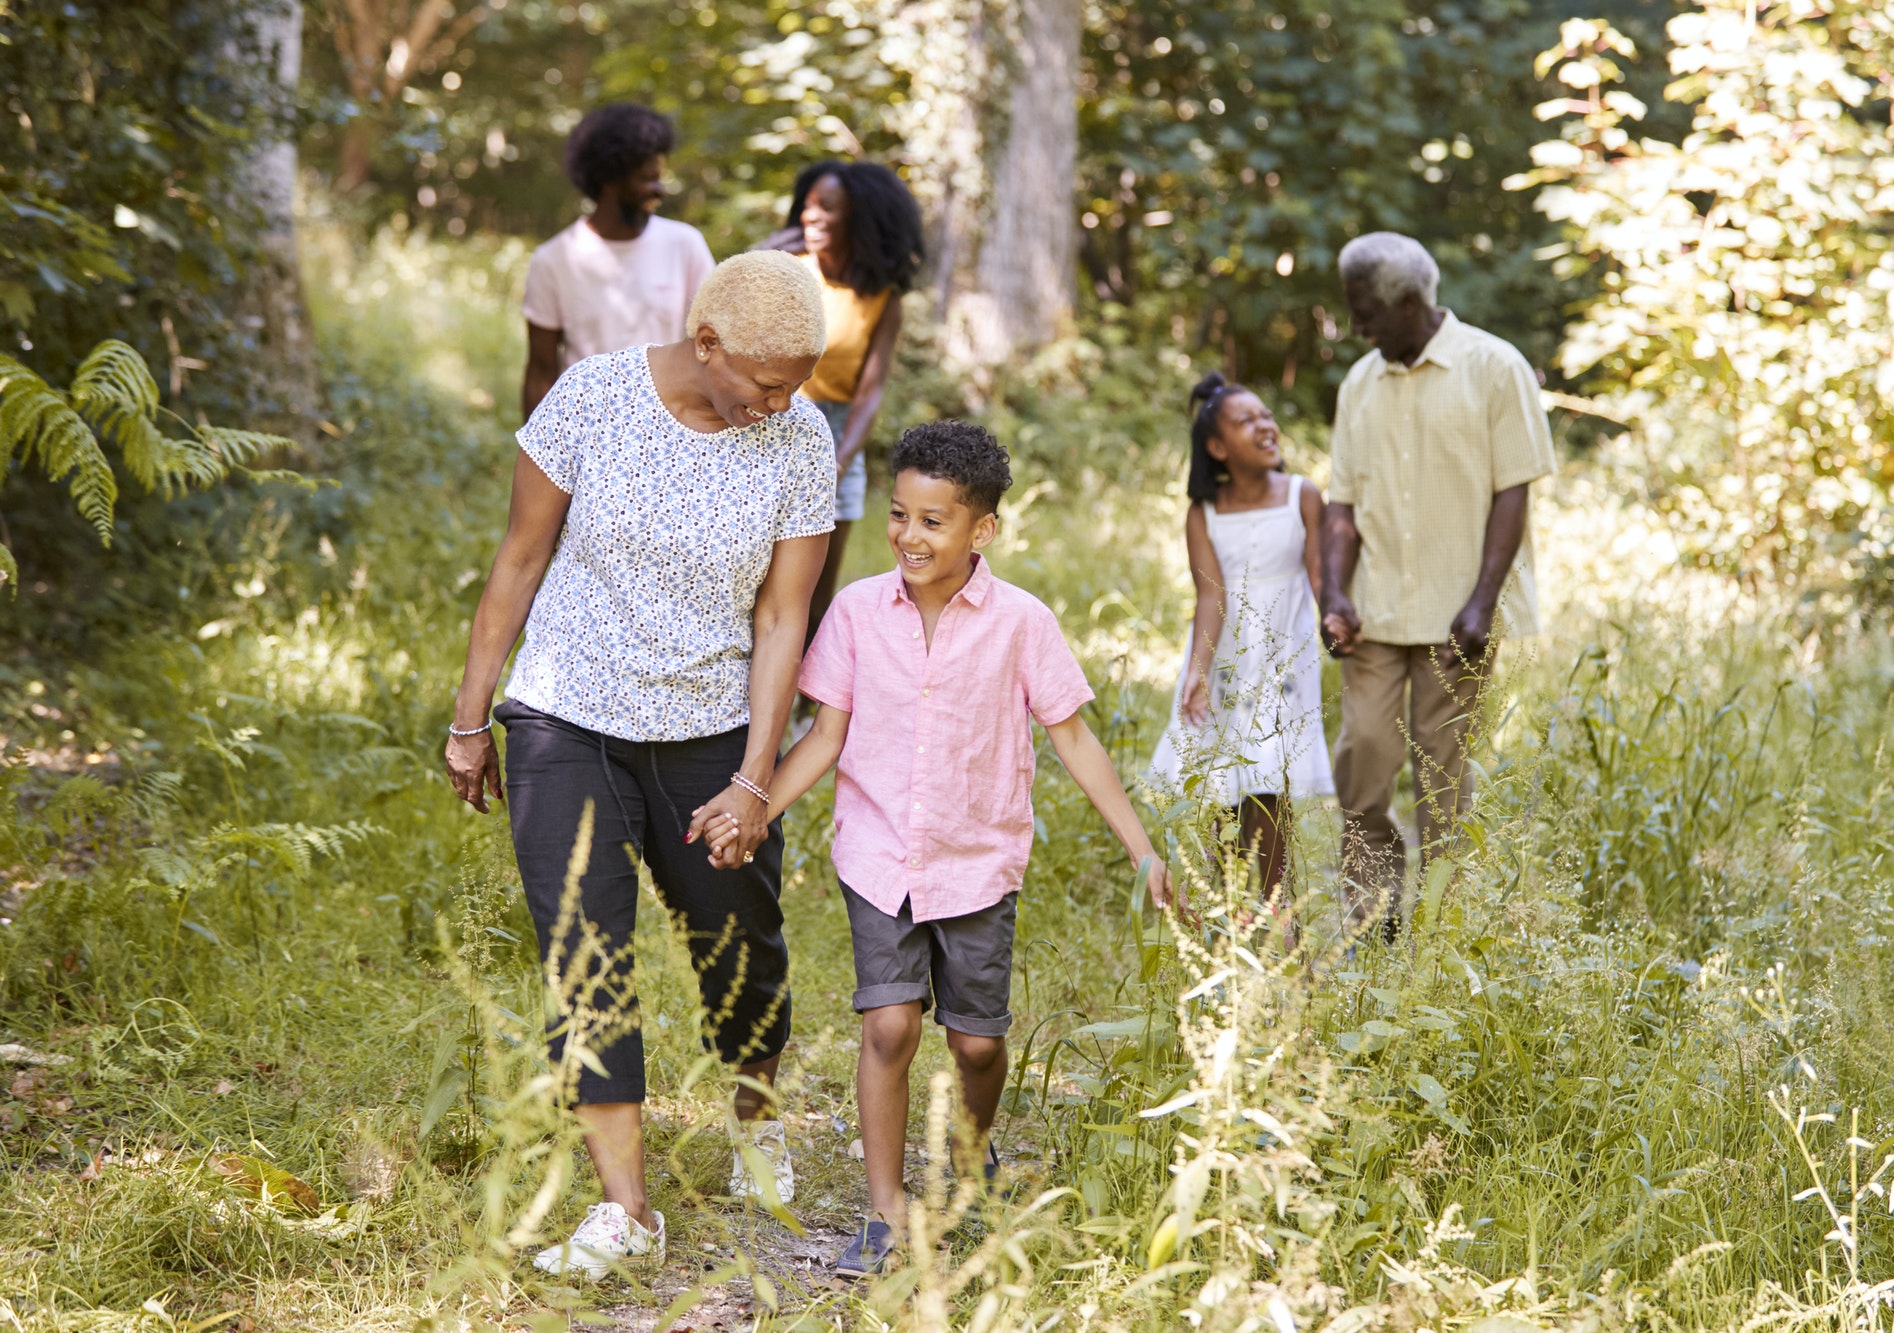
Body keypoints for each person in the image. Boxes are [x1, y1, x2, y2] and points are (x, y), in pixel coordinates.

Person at [692, 422, 1172, 1277]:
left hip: (978, 859)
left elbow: (1076, 742)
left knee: (977, 1044)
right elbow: (826, 735)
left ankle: (973, 1152)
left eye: (935, 521)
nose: (911, 536)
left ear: (982, 528)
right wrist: (754, 800)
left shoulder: (1022, 622)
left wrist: (1141, 850)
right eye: (900, 516)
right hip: (879, 854)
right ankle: (884, 1211)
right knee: (887, 1026)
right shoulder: (856, 612)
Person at [445, 252, 836, 1280]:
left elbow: (782, 613)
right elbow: (520, 558)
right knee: (584, 952)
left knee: (740, 940)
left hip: (711, 732)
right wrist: (469, 715)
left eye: (797, 379)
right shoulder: (592, 398)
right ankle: (627, 1208)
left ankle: (756, 1118)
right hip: (565, 713)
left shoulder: (799, 437)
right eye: (763, 379)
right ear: (705, 342)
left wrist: (757, 777)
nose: (780, 400)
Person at [1320, 232, 1556, 939]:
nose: (1359, 328)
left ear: (1412, 302)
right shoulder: (1361, 383)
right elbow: (1343, 504)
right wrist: (1334, 592)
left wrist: (1484, 600)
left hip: (1460, 618)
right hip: (1377, 612)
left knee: (1443, 781)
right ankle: (1373, 919)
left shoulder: (1494, 367)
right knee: (1363, 758)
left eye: (1367, 313)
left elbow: (1512, 492)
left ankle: (1443, 933)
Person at [1149, 373, 1333, 913]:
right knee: (1224, 782)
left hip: (1284, 663)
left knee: (1271, 783)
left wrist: (1339, 631)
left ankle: (1278, 913)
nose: (1265, 426)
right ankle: (1226, 912)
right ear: (1216, 446)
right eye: (1246, 421)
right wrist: (1198, 673)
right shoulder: (1203, 514)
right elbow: (1212, 598)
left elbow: (1321, 580)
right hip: (1229, 661)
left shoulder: (1302, 495)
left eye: (1266, 416)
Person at [758, 161, 925, 641]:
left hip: (838, 436)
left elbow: (869, 392)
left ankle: (811, 703)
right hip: (775, 419)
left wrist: (839, 459)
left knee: (813, 588)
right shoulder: (787, 272)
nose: (811, 216)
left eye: (827, 207)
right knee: (761, 579)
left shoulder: (882, 298)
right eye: (807, 206)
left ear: (859, 218)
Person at [521, 102, 715, 417]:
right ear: (609, 180)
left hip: (672, 427)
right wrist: (534, 454)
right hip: (589, 430)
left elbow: (715, 347)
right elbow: (541, 371)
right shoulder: (553, 260)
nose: (659, 190)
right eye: (647, 179)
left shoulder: (685, 245)